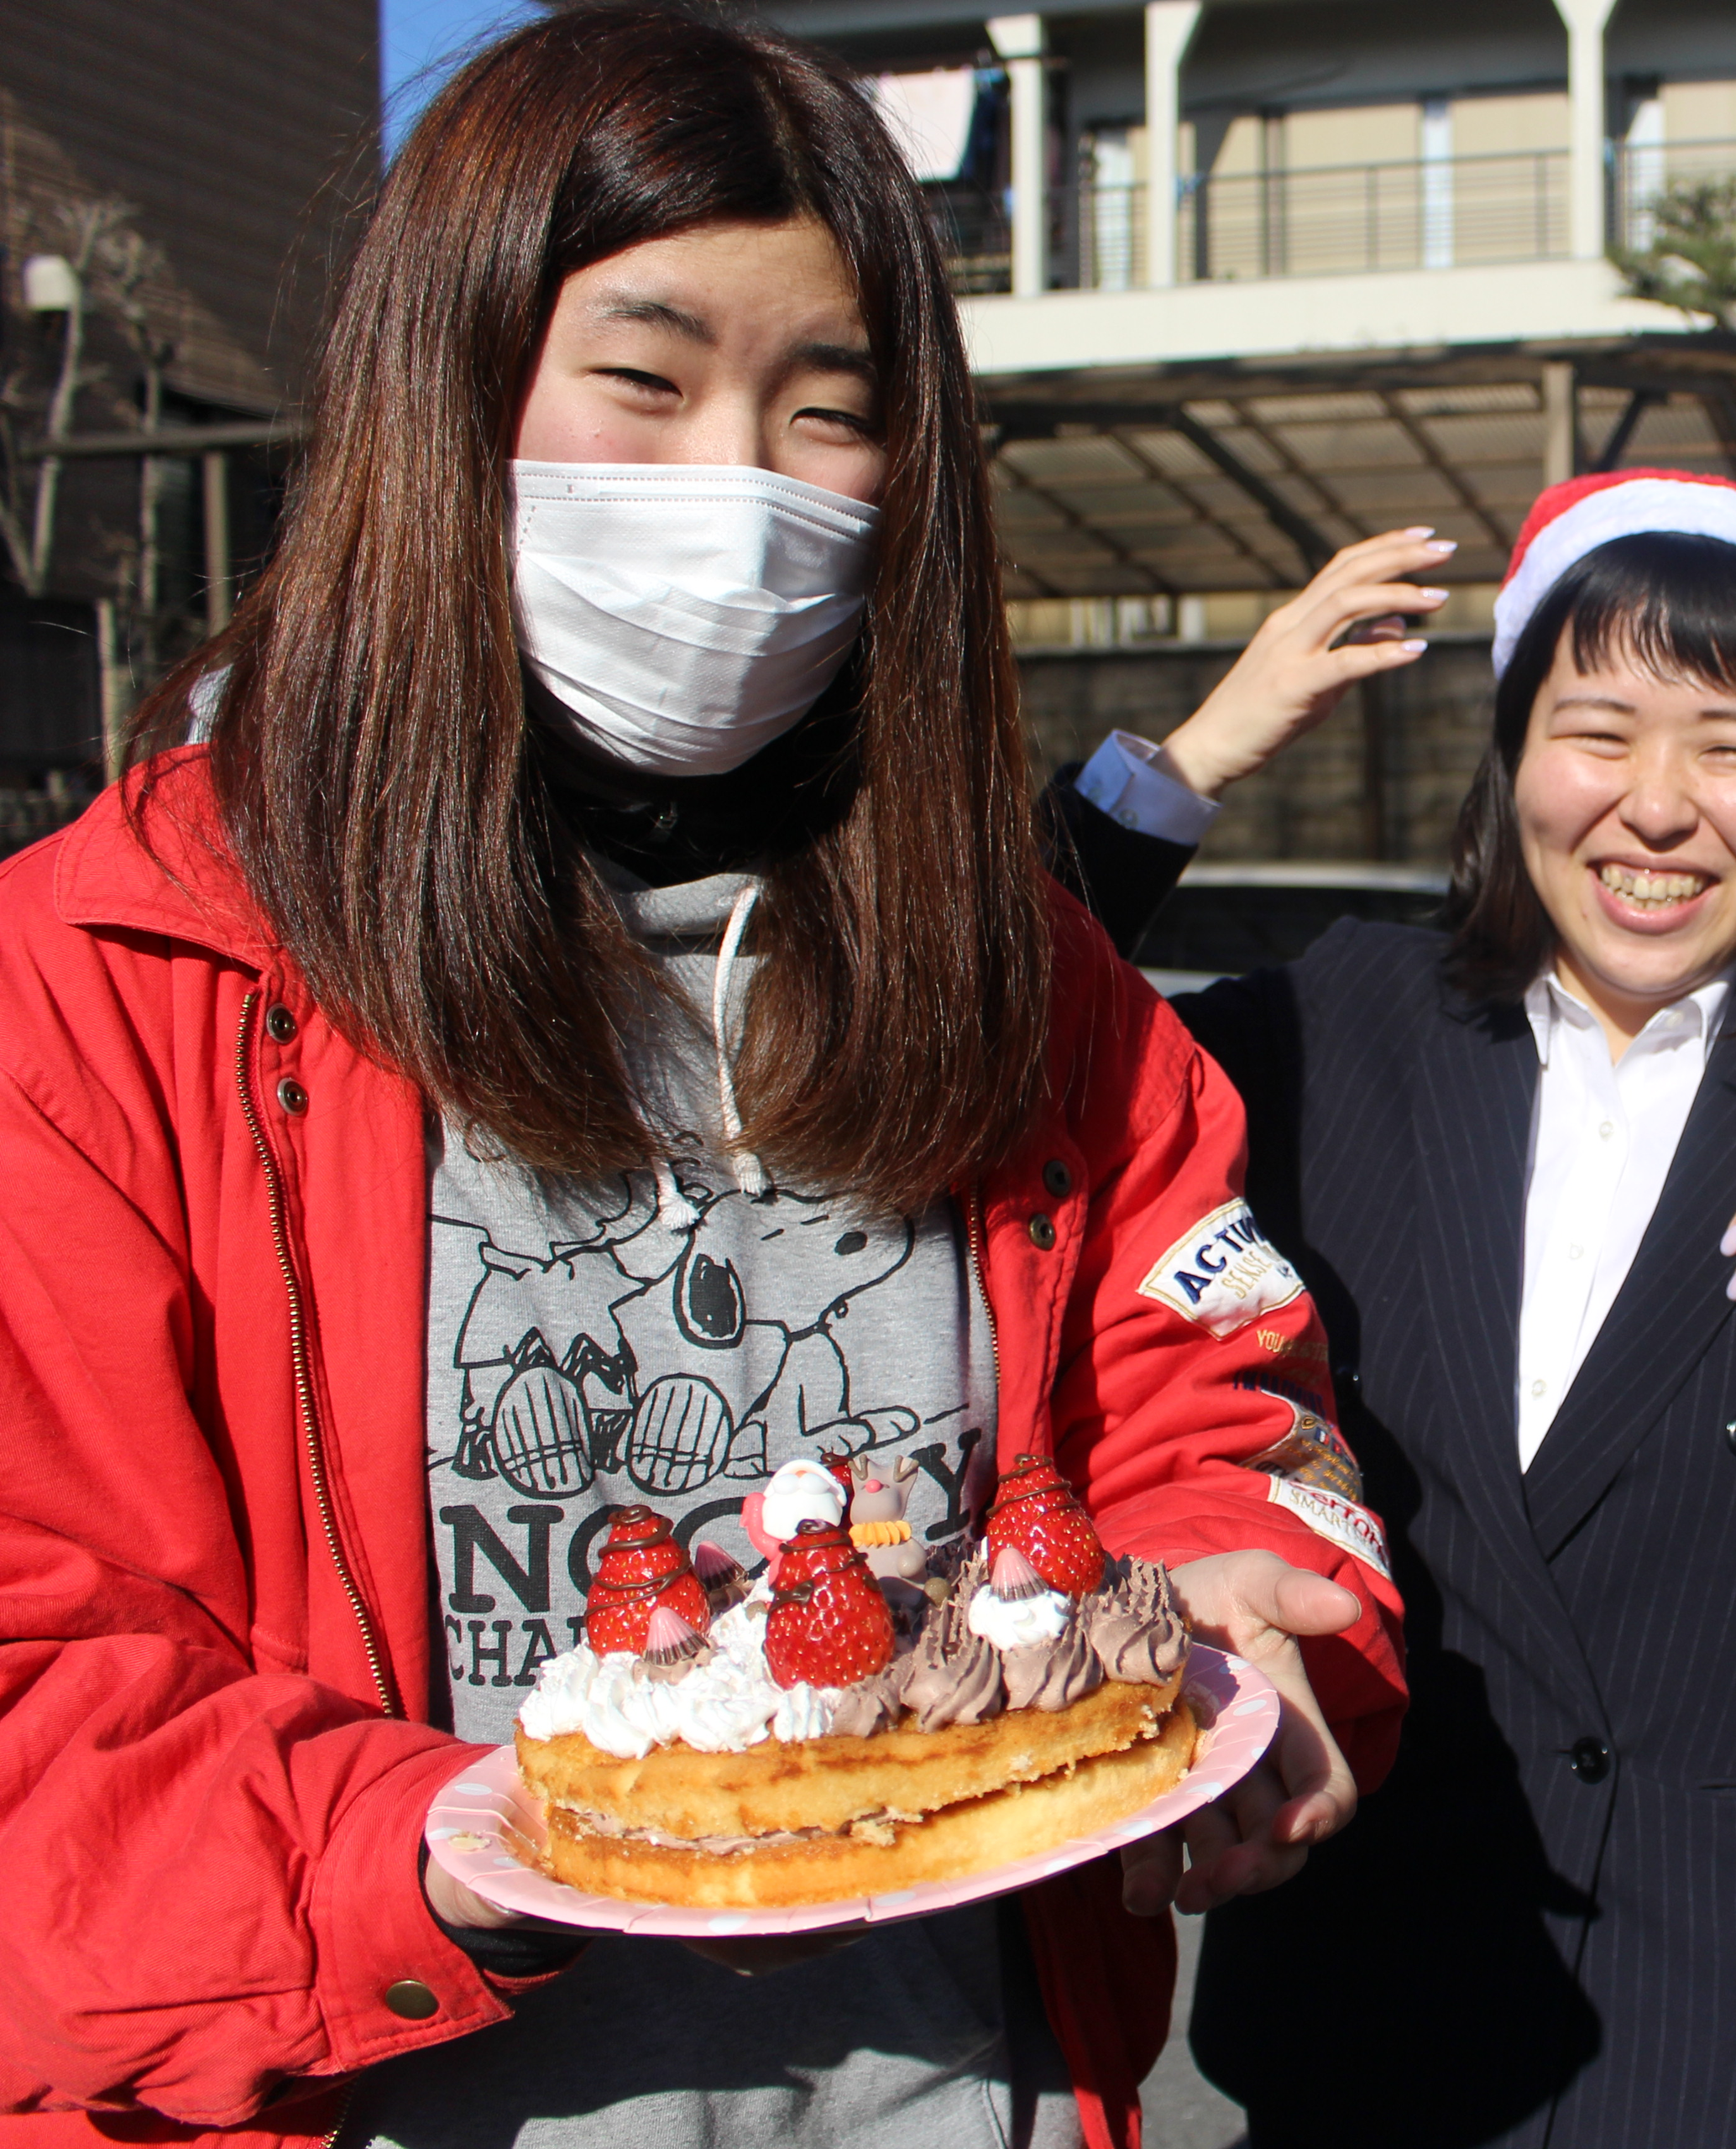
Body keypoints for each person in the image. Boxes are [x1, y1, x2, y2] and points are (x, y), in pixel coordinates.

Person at [0, 12, 1402, 2149]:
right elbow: (36, 1676)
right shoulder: (111, 985)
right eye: (641, 380)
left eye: (827, 412)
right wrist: (442, 1850)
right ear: (442, 391)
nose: (731, 486)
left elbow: (1227, 1393)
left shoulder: (1025, 972)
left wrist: (1242, 1598)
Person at [1042, 469, 1736, 2148]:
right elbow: (985, 1024)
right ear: (1515, 753)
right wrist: (1181, 765)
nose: (1658, 807)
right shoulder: (1342, 1018)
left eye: (1735, 745)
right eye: (1599, 730)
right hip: (1364, 1964)